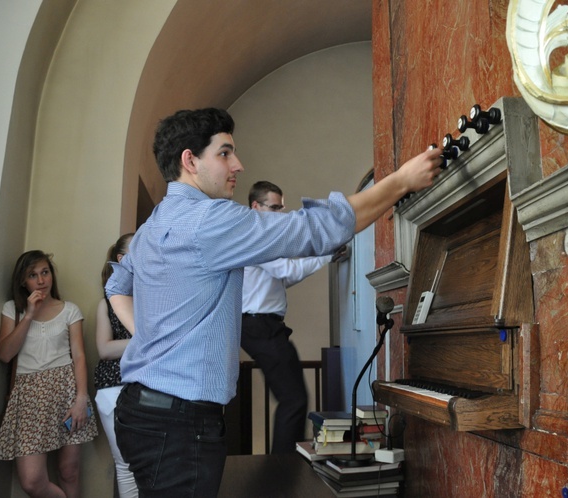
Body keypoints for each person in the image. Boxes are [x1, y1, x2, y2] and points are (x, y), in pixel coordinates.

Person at [105, 107, 442, 497]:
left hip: (137, 412)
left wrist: (150, 337)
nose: (238, 164)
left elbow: (117, 283)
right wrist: (401, 181)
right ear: (189, 160)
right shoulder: (210, 221)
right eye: (225, 153)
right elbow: (315, 228)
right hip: (179, 423)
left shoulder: (152, 227)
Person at [242, 181, 347, 454]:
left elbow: (281, 279)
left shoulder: (261, 238)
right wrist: (326, 256)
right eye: (275, 207)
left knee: (294, 399)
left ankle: (283, 468)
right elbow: (286, 270)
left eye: (282, 207)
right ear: (256, 206)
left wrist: (323, 256)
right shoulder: (256, 235)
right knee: (294, 399)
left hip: (262, 324)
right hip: (259, 325)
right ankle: (283, 471)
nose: (281, 213)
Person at [0, 250, 97, 498]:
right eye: (33, 275)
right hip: (29, 396)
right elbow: (5, 354)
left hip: (66, 391)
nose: (41, 280)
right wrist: (29, 313)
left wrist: (81, 399)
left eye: (45, 272)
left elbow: (80, 356)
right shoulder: (13, 310)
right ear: (22, 281)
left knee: (69, 471)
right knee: (31, 481)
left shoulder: (69, 310)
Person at [94, 233, 137, 498]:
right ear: (122, 259)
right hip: (113, 387)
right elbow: (104, 349)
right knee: (125, 463)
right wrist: (147, 341)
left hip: (148, 385)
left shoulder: (153, 297)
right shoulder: (107, 303)